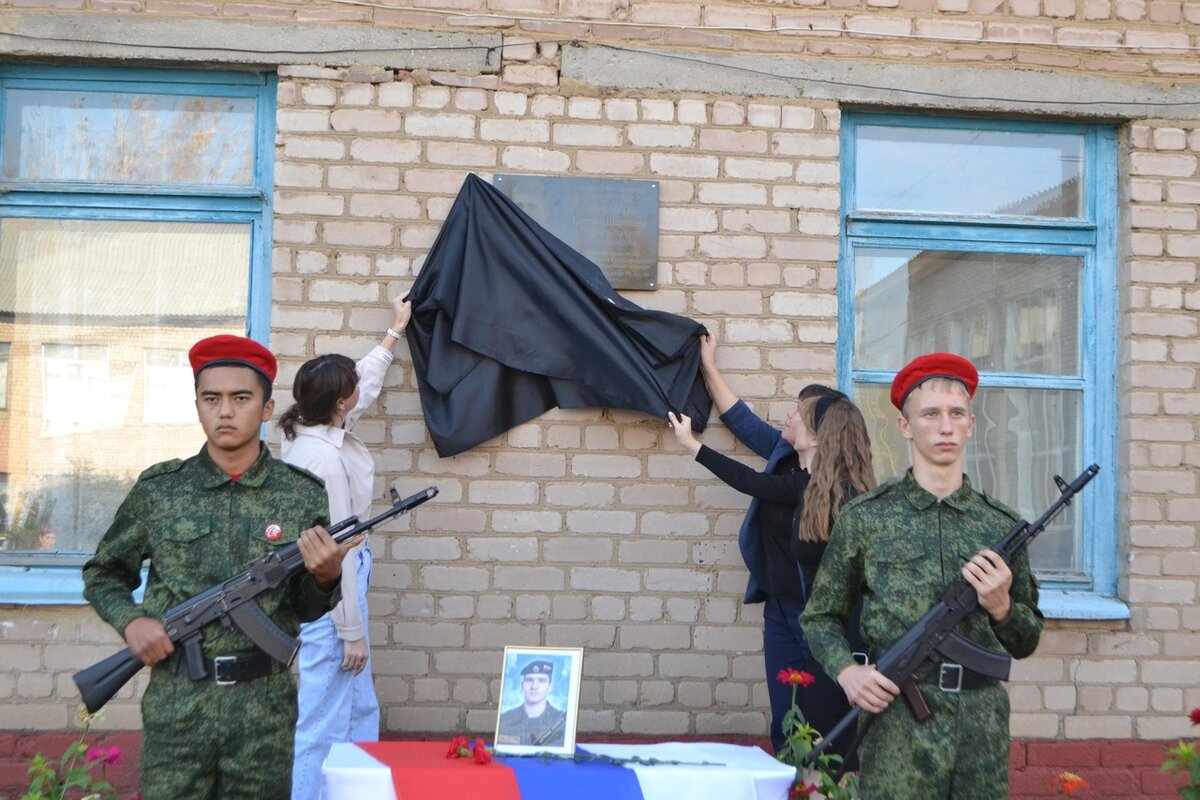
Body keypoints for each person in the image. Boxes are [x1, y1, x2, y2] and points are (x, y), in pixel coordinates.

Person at [83, 335, 353, 800]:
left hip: (263, 709)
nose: (225, 411)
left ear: (267, 409)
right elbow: (103, 571)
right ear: (198, 406)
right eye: (212, 399)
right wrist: (132, 623)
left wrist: (327, 577)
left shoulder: (301, 493)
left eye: (241, 398)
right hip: (178, 706)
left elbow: (304, 608)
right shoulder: (161, 490)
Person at [801, 353, 1044, 799]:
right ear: (905, 427)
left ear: (971, 424)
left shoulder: (999, 527)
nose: (945, 427)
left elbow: (1026, 640)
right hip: (897, 724)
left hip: (981, 727)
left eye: (956, 414)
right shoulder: (867, 518)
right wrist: (847, 673)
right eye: (930, 414)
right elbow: (820, 616)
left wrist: (1003, 606)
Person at [669, 390, 874, 766]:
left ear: (816, 436)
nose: (788, 415)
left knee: (824, 721)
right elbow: (751, 460)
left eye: (797, 412)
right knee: (786, 717)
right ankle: (793, 781)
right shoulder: (798, 477)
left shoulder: (848, 497)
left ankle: (823, 785)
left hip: (825, 625)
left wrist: (692, 445)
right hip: (781, 613)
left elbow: (751, 482)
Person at [280, 297, 411, 800]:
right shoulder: (324, 462)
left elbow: (365, 381)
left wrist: (394, 333)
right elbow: (338, 556)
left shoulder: (312, 429)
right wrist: (352, 633)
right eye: (350, 392)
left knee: (359, 710)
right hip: (333, 599)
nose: (360, 393)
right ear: (339, 403)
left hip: (337, 594)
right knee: (322, 723)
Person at [496, 659, 567, 747]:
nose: (534, 686)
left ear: (550, 686)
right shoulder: (504, 720)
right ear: (522, 685)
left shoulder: (563, 722)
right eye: (529, 680)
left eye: (541, 681)